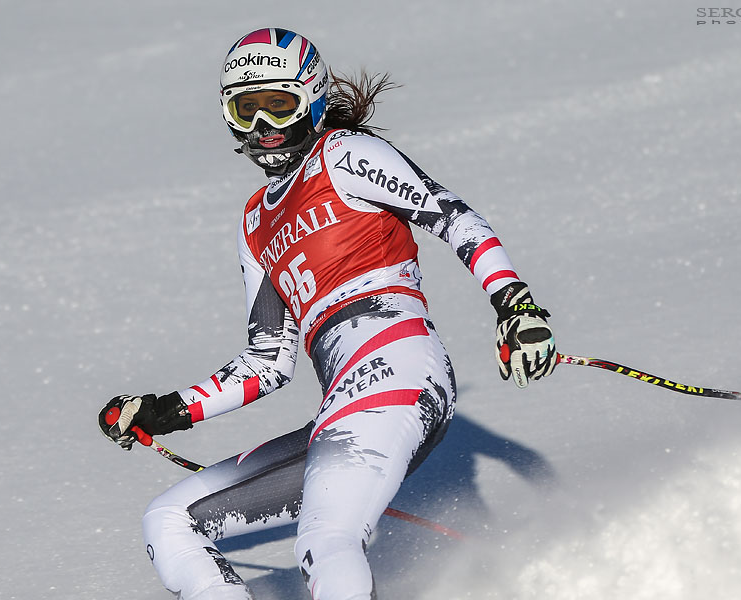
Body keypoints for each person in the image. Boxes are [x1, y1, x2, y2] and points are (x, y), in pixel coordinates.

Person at [98, 27, 557, 600]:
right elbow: (267, 362)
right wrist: (167, 410)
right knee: (170, 520)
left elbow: (452, 216)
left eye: (278, 105)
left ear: (311, 99)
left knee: (326, 539)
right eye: (245, 110)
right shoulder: (255, 223)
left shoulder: (344, 155)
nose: (263, 127)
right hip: (341, 406)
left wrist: (515, 304)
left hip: (398, 370)